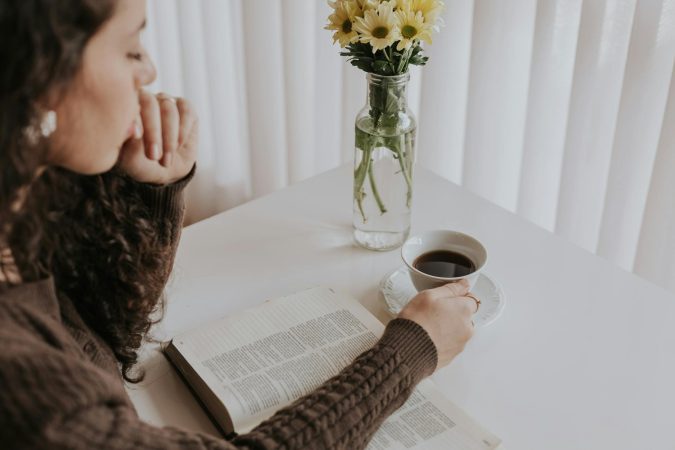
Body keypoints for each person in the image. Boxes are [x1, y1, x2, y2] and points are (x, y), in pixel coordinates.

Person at [0, 0, 477, 448]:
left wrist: (150, 191)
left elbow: (101, 340)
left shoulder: (23, 202)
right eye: (130, 48)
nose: (148, 70)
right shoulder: (21, 381)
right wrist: (411, 351)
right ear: (40, 75)